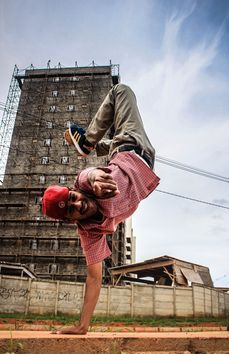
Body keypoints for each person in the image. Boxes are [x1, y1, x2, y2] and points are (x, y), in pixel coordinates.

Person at [42, 84, 160, 334]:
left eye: (73, 197)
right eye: (71, 209)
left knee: (121, 91)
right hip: (142, 156)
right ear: (70, 220)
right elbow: (94, 278)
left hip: (130, 145)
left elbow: (90, 173)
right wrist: (82, 325)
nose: (78, 203)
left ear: (75, 190)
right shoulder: (90, 233)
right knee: (115, 131)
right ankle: (96, 145)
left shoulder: (85, 183)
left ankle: (88, 144)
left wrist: (96, 176)